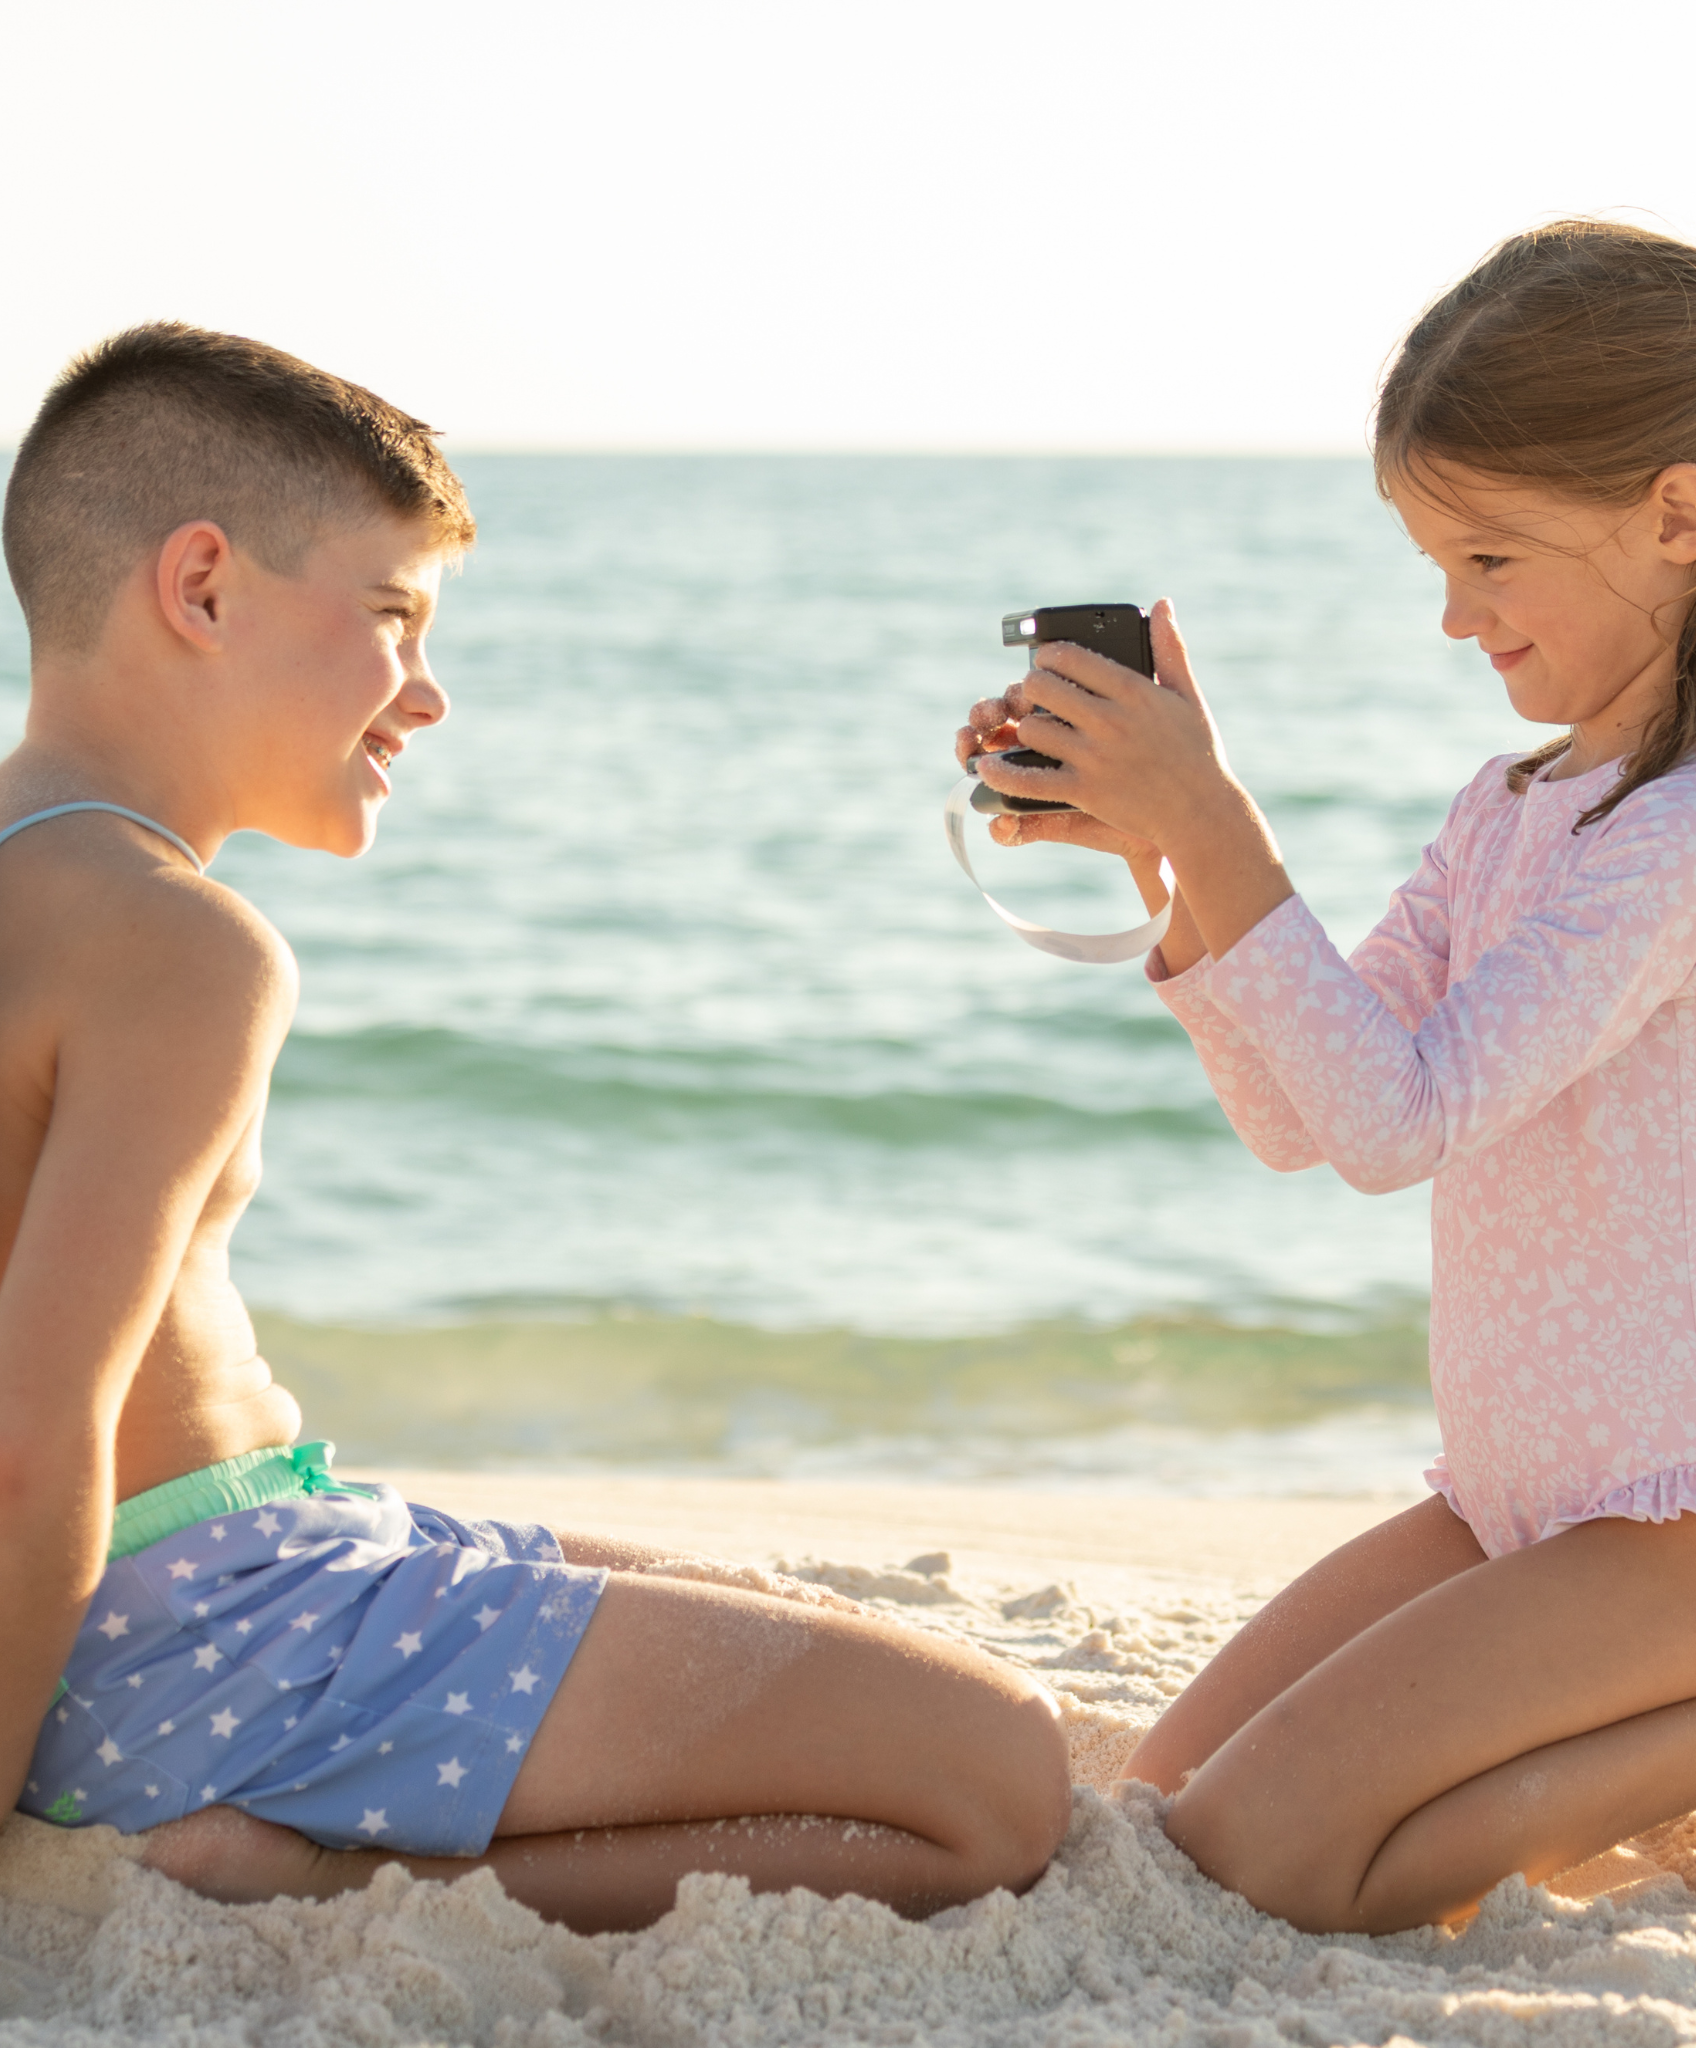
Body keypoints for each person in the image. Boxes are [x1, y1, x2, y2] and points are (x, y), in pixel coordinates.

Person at [0, 323, 1069, 1935]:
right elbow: (29, 1443)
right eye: (391, 618)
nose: (426, 694)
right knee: (1000, 1778)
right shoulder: (179, 944)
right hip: (191, 1637)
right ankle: (328, 1874)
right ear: (201, 587)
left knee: (762, 1607)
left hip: (228, 1568)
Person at [956, 213, 1696, 1935]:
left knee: (1272, 1865)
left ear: (1678, 519)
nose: (1456, 616)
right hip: (1506, 1506)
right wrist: (1155, 860)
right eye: (1435, 566)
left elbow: (1406, 1123)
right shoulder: (1510, 808)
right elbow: (1306, 1118)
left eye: (1489, 559)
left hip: (1691, 1519)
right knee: (1162, 1808)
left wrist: (1219, 818)